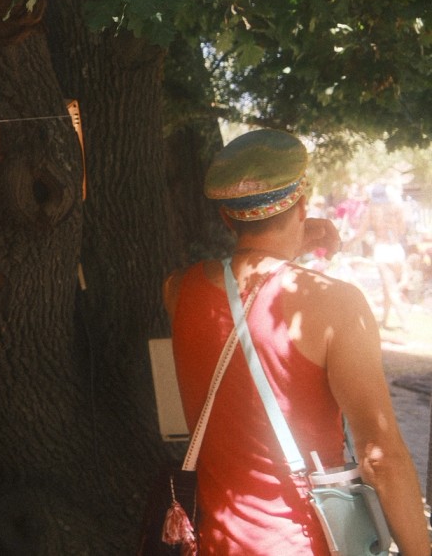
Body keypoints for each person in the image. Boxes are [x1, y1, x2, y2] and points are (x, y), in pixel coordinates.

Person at [165, 129, 431, 555]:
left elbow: (247, 288)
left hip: (214, 541)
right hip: (304, 543)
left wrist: (289, 242)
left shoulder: (179, 289)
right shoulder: (338, 305)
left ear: (226, 218)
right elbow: (381, 458)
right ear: (302, 203)